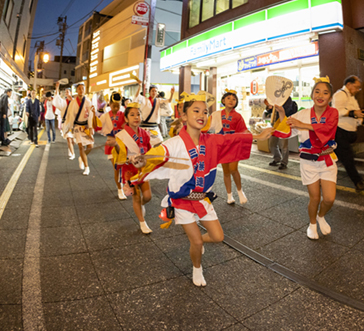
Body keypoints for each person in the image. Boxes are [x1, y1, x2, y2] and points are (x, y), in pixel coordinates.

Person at [127, 91, 271, 286]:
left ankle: (198, 242)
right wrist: (139, 160)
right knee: (196, 242)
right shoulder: (174, 144)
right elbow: (155, 155)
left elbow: (234, 139)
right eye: (196, 111)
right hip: (183, 201)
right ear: (184, 116)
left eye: (205, 112)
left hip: (203, 198)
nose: (202, 115)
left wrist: (257, 136)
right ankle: (197, 268)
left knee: (218, 237)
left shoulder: (212, 141)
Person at [273, 76, 339, 240]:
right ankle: (312, 224)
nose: (320, 95)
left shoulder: (333, 113)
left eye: (325, 92)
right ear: (311, 94)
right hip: (308, 162)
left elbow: (327, 130)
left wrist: (302, 125)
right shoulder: (302, 114)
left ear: (330, 98)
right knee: (315, 198)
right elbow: (288, 131)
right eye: (317, 91)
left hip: (327, 160)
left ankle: (321, 216)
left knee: (329, 199)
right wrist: (282, 113)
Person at [106, 102, 153, 233]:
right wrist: (127, 157)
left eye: (138, 114)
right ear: (126, 119)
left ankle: (140, 206)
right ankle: (143, 223)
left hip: (142, 168)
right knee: (136, 196)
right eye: (132, 115)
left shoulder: (145, 133)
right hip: (129, 170)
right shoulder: (121, 136)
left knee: (148, 196)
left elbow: (149, 151)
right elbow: (119, 156)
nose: (136, 117)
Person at [332, 76, 364, 191]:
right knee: (348, 158)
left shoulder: (352, 98)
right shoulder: (340, 94)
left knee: (335, 157)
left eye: (359, 88)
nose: (358, 90)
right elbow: (337, 111)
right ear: (348, 85)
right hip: (340, 132)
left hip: (348, 134)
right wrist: (352, 112)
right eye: (356, 87)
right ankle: (358, 182)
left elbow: (357, 115)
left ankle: (322, 176)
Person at [208, 89, 248, 205]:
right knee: (226, 171)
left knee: (233, 169)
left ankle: (240, 191)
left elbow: (243, 130)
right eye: (228, 98)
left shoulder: (238, 116)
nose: (231, 101)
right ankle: (229, 195)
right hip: (221, 146)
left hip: (234, 145)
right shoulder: (216, 114)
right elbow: (207, 126)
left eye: (234, 99)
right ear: (223, 100)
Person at [97, 92, 127, 199]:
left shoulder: (123, 115)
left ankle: (122, 186)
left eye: (118, 106)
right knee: (117, 167)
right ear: (109, 104)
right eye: (114, 105)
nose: (116, 108)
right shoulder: (105, 116)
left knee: (123, 167)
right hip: (110, 144)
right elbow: (97, 127)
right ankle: (120, 189)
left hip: (121, 144)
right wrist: (92, 117)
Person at [62, 82, 95, 175]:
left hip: (86, 127)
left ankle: (81, 157)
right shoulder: (73, 103)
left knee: (90, 146)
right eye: (79, 88)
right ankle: (87, 167)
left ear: (85, 90)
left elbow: (90, 115)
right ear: (76, 90)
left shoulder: (88, 102)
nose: (81, 90)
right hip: (77, 127)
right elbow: (71, 116)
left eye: (83, 88)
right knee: (81, 146)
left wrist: (91, 127)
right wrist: (69, 128)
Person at [264, 96, 297, 170]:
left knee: (284, 146)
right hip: (275, 124)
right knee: (272, 144)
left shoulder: (287, 98)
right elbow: (269, 112)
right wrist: (269, 107)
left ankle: (284, 163)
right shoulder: (272, 98)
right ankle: (277, 159)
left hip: (284, 124)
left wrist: (279, 108)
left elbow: (288, 111)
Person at [54, 82, 75, 159]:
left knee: (73, 140)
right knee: (69, 138)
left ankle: (70, 148)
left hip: (73, 123)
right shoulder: (63, 101)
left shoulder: (74, 101)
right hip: (66, 122)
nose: (67, 93)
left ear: (71, 93)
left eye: (68, 92)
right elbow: (56, 97)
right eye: (66, 92)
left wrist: (72, 100)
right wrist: (57, 87)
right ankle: (72, 153)